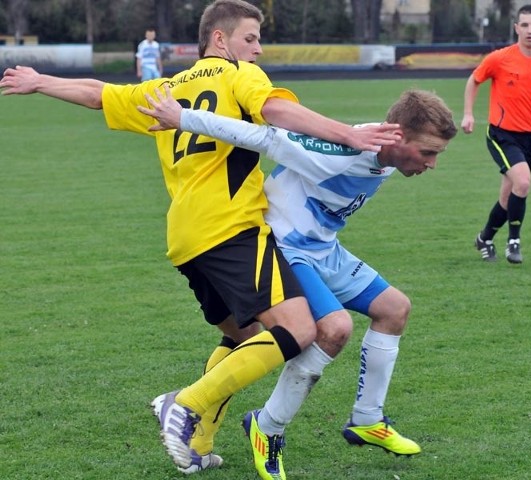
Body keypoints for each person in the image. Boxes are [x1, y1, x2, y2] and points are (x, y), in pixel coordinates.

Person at [0, 0, 400, 475]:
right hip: (231, 226)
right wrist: (348, 135)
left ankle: (198, 442)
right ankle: (183, 403)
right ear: (220, 40)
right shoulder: (238, 74)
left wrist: (40, 81)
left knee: (241, 337)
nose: (257, 49)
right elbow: (274, 110)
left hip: (186, 237)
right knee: (297, 330)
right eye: (250, 38)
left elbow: (98, 93)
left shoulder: (165, 88)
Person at [138, 84, 458, 479]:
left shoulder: (387, 145)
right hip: (286, 244)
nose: (431, 164)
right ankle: (266, 429)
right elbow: (263, 136)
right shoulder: (340, 152)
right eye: (427, 153)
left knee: (395, 309)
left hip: (323, 247)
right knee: (334, 328)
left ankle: (366, 419)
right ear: (397, 135)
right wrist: (183, 118)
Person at [461, 4, 531, 264]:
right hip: (501, 134)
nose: (530, 30)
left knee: (509, 196)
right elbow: (474, 80)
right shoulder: (500, 58)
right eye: (525, 25)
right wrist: (468, 113)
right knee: (524, 183)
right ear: (516, 28)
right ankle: (514, 242)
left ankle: (484, 238)